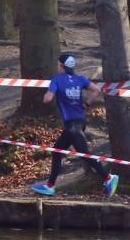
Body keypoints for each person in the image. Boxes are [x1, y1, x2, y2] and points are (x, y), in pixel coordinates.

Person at [31, 52, 119, 198]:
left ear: (61, 65)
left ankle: (108, 177)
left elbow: (47, 99)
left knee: (84, 153)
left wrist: (47, 94)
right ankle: (50, 186)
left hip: (72, 125)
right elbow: (96, 90)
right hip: (79, 122)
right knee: (57, 151)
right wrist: (87, 104)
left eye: (58, 64)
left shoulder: (57, 79)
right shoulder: (80, 79)